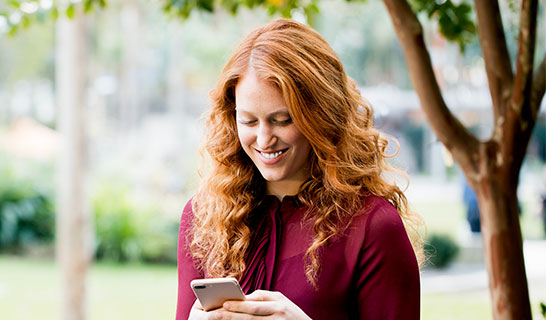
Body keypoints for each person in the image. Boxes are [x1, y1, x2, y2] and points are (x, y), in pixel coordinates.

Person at [176, 18, 423, 320]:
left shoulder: (372, 226)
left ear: (321, 116)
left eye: (282, 120)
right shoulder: (202, 217)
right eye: (249, 121)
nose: (264, 139)